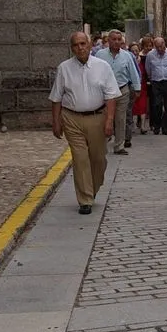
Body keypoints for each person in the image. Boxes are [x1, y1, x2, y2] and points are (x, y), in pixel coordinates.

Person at [49, 32, 121, 214]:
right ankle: (85, 199)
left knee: (98, 160)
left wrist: (109, 121)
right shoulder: (64, 68)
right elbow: (56, 98)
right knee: (80, 159)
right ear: (71, 48)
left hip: (97, 117)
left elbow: (111, 96)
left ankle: (91, 190)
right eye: (76, 45)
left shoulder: (102, 67)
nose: (80, 48)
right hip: (71, 118)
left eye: (83, 44)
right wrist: (56, 121)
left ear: (89, 45)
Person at [95, 29, 141, 155]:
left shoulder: (127, 56)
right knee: (104, 118)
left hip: (122, 90)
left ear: (122, 41)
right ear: (108, 40)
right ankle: (102, 145)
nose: (116, 42)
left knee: (121, 119)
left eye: (118, 39)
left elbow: (133, 72)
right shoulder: (99, 55)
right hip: (104, 93)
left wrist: (137, 88)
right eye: (113, 39)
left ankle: (119, 145)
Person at [146, 37, 167, 135]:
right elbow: (148, 68)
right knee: (157, 105)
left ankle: (166, 127)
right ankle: (157, 126)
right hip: (156, 82)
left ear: (164, 44)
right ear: (155, 46)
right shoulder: (150, 55)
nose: (160, 49)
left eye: (161, 46)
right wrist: (151, 78)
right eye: (157, 47)